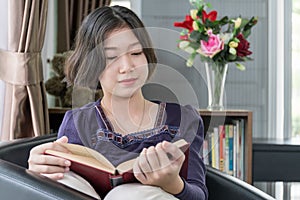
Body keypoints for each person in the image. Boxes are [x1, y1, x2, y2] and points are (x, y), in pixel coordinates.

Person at [28, 5, 208, 200]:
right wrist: (39, 172)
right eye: (111, 57)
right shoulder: (77, 122)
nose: (127, 67)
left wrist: (172, 184)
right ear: (93, 65)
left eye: (136, 53)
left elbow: (199, 196)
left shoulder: (183, 119)